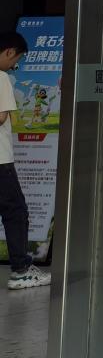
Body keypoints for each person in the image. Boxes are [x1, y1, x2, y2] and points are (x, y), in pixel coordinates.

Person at [1, 32, 49, 290]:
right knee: (16, 212)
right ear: (9, 51)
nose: (13, 66)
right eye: (16, 60)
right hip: (1, 161)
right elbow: (1, 117)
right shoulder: (1, 78)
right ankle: (21, 271)